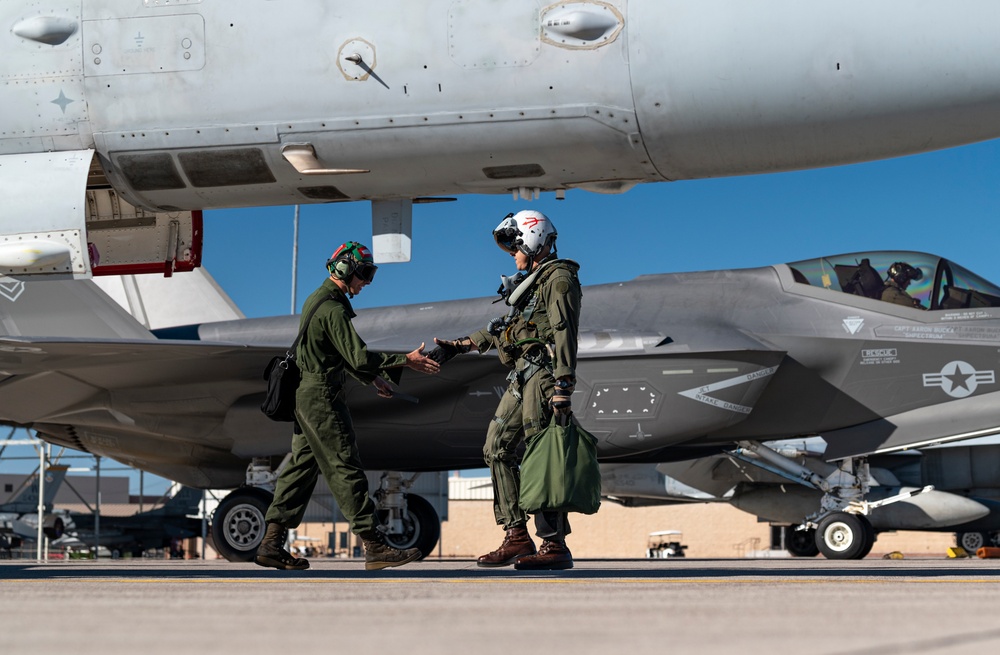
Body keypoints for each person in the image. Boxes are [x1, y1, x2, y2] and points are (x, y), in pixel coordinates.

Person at [255, 241, 441, 571]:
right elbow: (356, 354)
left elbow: (335, 352)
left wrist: (375, 379)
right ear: (345, 269)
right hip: (322, 399)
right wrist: (405, 360)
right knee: (345, 465)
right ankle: (374, 544)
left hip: (305, 397)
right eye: (364, 273)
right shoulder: (333, 309)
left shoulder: (318, 299)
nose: (367, 282)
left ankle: (271, 543)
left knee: (300, 470)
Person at [431, 210, 582, 570]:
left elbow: (564, 331)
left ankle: (554, 544)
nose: (513, 255)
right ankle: (516, 536)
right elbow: (507, 328)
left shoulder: (558, 279)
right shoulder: (530, 281)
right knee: (495, 448)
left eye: (516, 247)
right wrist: (460, 345)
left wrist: (563, 383)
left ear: (532, 241)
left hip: (544, 376)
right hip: (521, 376)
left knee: (542, 455)